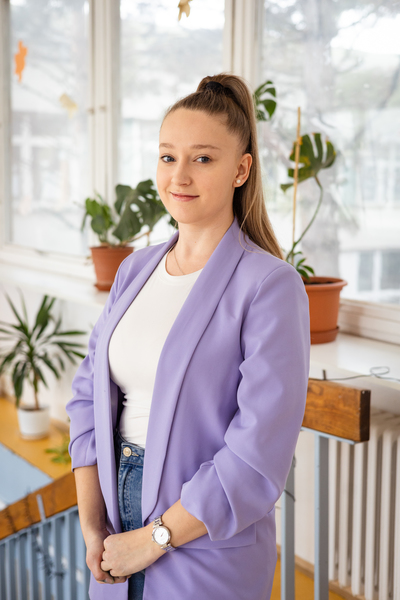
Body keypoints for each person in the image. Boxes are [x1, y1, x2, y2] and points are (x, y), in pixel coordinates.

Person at [66, 73, 310, 600]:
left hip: (201, 539)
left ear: (241, 169)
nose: (179, 175)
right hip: (113, 527)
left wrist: (155, 538)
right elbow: (87, 397)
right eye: (167, 156)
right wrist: (91, 525)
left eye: (202, 158)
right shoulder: (134, 271)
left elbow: (256, 454)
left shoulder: (269, 286)